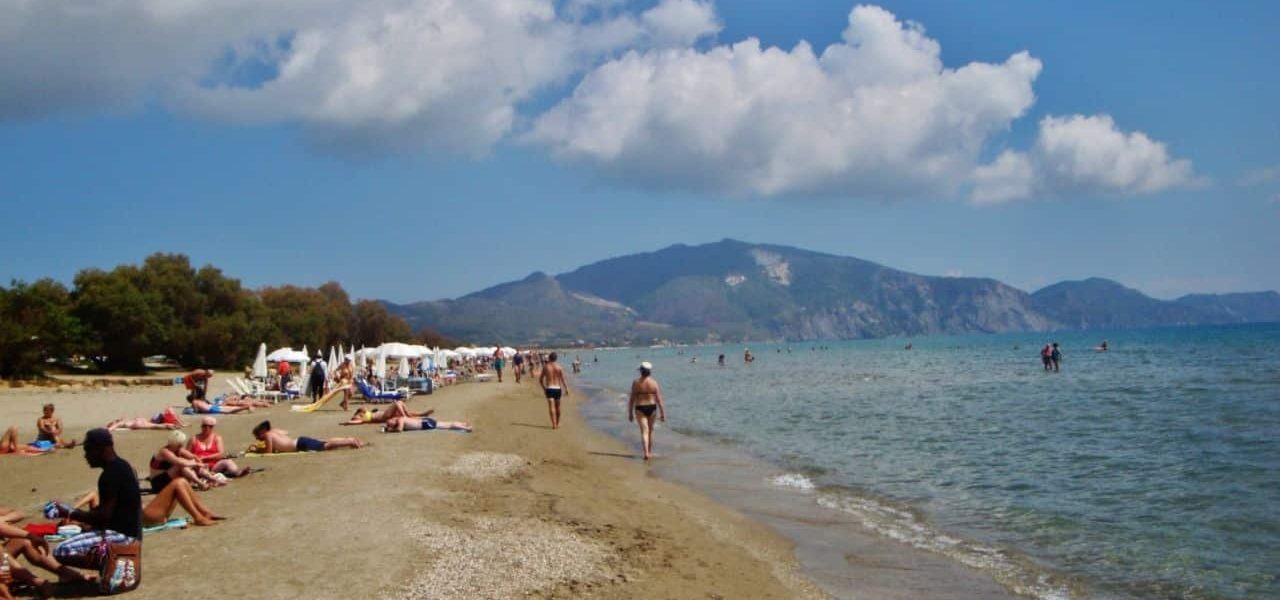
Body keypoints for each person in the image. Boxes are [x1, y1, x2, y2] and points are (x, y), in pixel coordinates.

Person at [44, 428, 141, 571]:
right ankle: (116, 560)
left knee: (61, 551)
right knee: (82, 537)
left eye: (88, 450)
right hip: (132, 532)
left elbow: (103, 517)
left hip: (123, 536)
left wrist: (70, 513)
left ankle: (116, 563)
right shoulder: (122, 465)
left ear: (101, 449)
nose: (86, 455)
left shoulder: (110, 475)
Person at [69, 478, 224, 528]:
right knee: (177, 483)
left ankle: (204, 512)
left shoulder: (93, 512)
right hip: (147, 517)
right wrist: (74, 517)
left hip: (148, 513)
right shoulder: (92, 522)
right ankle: (198, 517)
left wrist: (71, 510)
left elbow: (92, 494)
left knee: (181, 482)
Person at [149, 430, 223, 492]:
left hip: (169, 477)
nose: (182, 446)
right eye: (180, 444)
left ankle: (213, 479)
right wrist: (196, 464)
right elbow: (179, 462)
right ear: (175, 443)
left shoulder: (178, 449)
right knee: (182, 465)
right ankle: (201, 484)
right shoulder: (165, 452)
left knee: (191, 462)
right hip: (158, 483)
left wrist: (198, 463)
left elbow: (194, 456)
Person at [628, 362, 667, 461]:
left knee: (644, 432)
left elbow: (632, 399)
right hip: (652, 407)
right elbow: (659, 399)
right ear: (650, 371)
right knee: (650, 431)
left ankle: (645, 453)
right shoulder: (654, 383)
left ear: (641, 371)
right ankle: (649, 452)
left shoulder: (636, 383)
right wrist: (663, 413)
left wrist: (630, 413)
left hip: (640, 407)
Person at [250, 420, 363, 453]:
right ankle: (348, 439)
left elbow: (268, 451)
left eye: (257, 436)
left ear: (261, 432)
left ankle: (350, 441)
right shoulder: (273, 431)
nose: (257, 439)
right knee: (324, 441)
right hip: (299, 440)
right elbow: (286, 433)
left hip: (299, 444)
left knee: (326, 446)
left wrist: (257, 450)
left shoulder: (268, 436)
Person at [539, 352, 570, 429]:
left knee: (551, 407)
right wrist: (566, 388)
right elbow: (563, 379)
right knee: (558, 407)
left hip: (549, 388)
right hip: (557, 388)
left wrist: (544, 388)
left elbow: (540, 379)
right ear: (556, 358)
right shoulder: (559, 367)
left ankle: (554, 424)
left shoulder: (546, 367)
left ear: (549, 358)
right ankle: (558, 423)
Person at [339, 401, 432, 425]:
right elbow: (357, 422)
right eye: (362, 407)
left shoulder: (367, 413)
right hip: (384, 416)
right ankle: (406, 417)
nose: (364, 407)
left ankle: (422, 414)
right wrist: (346, 423)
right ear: (359, 412)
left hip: (385, 414)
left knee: (401, 404)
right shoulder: (361, 418)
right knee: (397, 403)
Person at [382, 415, 472, 433]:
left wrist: (389, 430)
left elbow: (399, 430)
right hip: (424, 421)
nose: (390, 425)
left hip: (425, 424)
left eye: (389, 423)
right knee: (447, 423)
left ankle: (466, 428)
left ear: (393, 419)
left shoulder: (400, 420)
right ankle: (463, 424)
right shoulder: (402, 418)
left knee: (448, 426)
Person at [187, 392, 251, 415]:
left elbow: (195, 411)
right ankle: (244, 407)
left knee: (229, 411)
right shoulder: (198, 400)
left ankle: (245, 407)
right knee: (228, 409)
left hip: (211, 409)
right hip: (211, 406)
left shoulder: (194, 402)